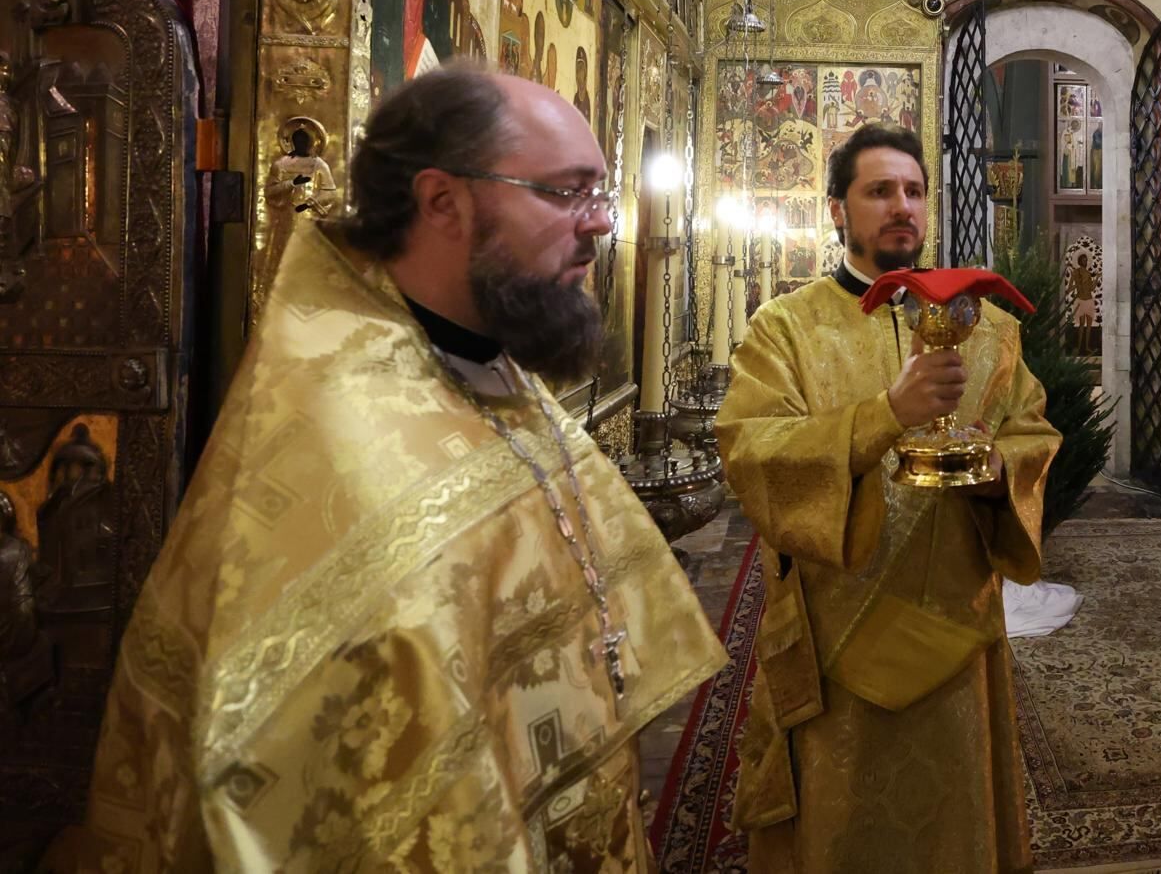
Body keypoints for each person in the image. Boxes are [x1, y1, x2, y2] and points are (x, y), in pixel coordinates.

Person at [47, 65, 724, 872]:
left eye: (600, 192)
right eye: (567, 193)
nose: (604, 222)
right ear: (443, 201)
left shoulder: (488, 369)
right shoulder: (347, 434)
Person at [716, 122, 1059, 873]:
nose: (901, 206)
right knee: (844, 833)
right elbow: (751, 450)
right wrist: (885, 415)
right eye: (879, 191)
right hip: (840, 632)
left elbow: (1032, 432)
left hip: (955, 630)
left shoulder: (989, 328)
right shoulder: (786, 329)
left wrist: (999, 469)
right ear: (838, 208)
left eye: (913, 191)